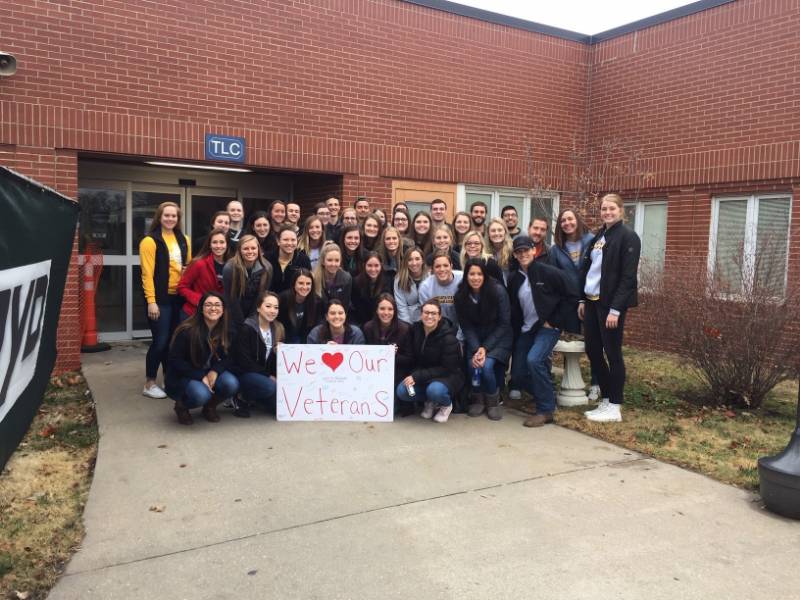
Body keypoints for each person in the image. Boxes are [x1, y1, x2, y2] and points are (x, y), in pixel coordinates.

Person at [579, 193, 641, 423]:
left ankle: (615, 405)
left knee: (613, 353)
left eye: (611, 208)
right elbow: (590, 269)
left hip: (610, 305)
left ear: (621, 210)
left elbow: (628, 277)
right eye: (604, 209)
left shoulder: (628, 237)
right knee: (593, 350)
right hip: (593, 301)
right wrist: (582, 300)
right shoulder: (601, 235)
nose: (607, 212)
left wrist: (616, 309)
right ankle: (605, 398)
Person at [508, 236, 579, 427]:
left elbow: (572, 294)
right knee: (518, 375)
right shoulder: (514, 278)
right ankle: (546, 393)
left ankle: (545, 410)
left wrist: (555, 320)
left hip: (547, 327)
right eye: (518, 252)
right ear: (514, 255)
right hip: (526, 328)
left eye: (526, 250)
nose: (522, 254)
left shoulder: (548, 272)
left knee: (534, 360)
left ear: (534, 251)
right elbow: (514, 308)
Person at [140, 201, 191, 399]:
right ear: (159, 217)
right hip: (159, 298)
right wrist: (151, 301)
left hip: (179, 297)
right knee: (160, 342)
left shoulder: (184, 239)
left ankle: (168, 379)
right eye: (166, 215)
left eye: (174, 216)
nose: (170, 219)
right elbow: (146, 274)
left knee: (173, 341)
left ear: (178, 219)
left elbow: (188, 266)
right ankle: (149, 382)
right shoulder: (150, 241)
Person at [165, 291, 239, 425]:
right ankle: (182, 406)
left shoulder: (228, 330)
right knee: (201, 395)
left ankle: (209, 407)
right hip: (186, 374)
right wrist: (200, 376)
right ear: (201, 309)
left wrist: (215, 371)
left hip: (210, 370)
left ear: (223, 309)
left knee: (232, 384)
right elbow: (175, 360)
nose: (213, 308)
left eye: (217, 305)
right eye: (208, 305)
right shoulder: (187, 330)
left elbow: (231, 356)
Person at [455, 259, 513, 420]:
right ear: (466, 276)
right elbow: (466, 326)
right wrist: (476, 348)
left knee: (486, 367)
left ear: (485, 275)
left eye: (479, 274)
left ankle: (492, 401)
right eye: (471, 274)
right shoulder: (461, 295)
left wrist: (485, 348)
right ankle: (477, 398)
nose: (475, 278)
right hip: (475, 338)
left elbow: (504, 323)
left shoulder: (498, 291)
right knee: (472, 365)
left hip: (499, 336)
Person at [395, 299, 464, 423]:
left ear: (439, 316)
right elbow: (410, 358)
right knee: (403, 391)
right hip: (423, 376)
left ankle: (446, 404)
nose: (429, 316)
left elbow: (447, 368)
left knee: (435, 390)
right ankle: (430, 401)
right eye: (426, 312)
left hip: (447, 377)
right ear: (421, 314)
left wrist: (416, 376)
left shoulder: (449, 338)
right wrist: (394, 354)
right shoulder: (414, 330)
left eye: (434, 313)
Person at [235, 291, 285, 415]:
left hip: (266, 375)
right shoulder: (247, 328)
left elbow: (275, 362)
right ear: (258, 307)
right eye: (268, 306)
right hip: (246, 374)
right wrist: (268, 376)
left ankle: (257, 399)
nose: (272, 310)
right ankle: (242, 397)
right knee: (270, 387)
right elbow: (244, 362)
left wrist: (281, 353)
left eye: (276, 307)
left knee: (279, 409)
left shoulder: (279, 328)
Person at [222, 234, 273, 330]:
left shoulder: (267, 268)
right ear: (239, 250)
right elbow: (231, 299)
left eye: (253, 248)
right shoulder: (229, 268)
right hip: (233, 314)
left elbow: (261, 297)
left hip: (255, 314)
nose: (250, 251)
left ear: (258, 250)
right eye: (246, 249)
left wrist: (251, 321)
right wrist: (242, 323)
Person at [177, 228, 227, 319]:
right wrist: (201, 300)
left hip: (218, 316)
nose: (218, 246)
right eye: (215, 242)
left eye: (222, 242)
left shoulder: (232, 265)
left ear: (227, 244)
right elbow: (182, 287)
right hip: (194, 314)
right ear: (209, 245)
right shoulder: (199, 263)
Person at [363, 293, 412, 384]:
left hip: (396, 373)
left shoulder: (404, 329)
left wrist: (394, 355)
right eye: (382, 309)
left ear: (395, 311)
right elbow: (364, 355)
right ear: (377, 310)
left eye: (390, 309)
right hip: (373, 372)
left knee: (405, 393)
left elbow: (409, 358)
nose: (386, 313)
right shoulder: (368, 328)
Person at [418, 250, 463, 336]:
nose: (442, 269)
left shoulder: (463, 279)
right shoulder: (425, 287)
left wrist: (459, 338)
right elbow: (428, 317)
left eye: (445, 265)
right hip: (438, 330)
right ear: (432, 270)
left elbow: (468, 312)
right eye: (438, 266)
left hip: (463, 327)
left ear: (451, 266)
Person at [278, 269, 323, 343]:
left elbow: (317, 326)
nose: (305, 287)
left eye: (308, 283)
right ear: (294, 284)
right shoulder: (283, 299)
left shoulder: (317, 301)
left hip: (306, 341)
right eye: (301, 283)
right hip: (285, 340)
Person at [267, 225, 312, 294]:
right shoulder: (268, 259)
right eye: (285, 240)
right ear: (278, 241)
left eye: (293, 240)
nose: (289, 243)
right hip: (271, 301)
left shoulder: (304, 260)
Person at [351, 251, 392, 325]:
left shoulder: (388, 281)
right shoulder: (356, 282)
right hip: (362, 322)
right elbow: (357, 308)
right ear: (364, 265)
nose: (373, 269)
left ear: (381, 265)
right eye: (369, 265)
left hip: (383, 320)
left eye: (376, 265)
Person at [394, 246, 428, 324]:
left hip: (428, 319)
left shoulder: (430, 277)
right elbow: (401, 306)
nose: (414, 263)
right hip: (408, 321)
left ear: (422, 260)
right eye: (410, 260)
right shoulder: (399, 279)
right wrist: (408, 325)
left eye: (417, 259)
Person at [314, 242, 353, 310]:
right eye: (329, 260)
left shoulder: (346, 278)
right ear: (323, 261)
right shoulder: (314, 278)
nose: (333, 264)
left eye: (337, 260)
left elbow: (344, 307)